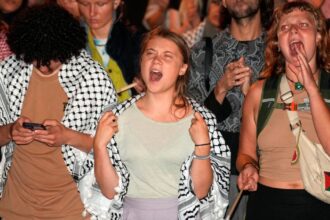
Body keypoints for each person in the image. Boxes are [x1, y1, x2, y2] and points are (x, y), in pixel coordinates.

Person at [80, 27, 231, 219]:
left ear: (182, 68)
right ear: (142, 61)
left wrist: (202, 147)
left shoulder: (201, 120)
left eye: (167, 56)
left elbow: (201, 192)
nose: (156, 60)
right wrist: (99, 146)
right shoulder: (117, 117)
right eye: (150, 54)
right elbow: (110, 192)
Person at [0, 4, 117, 219]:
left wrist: (67, 137)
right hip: (14, 207)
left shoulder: (91, 78)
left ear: (65, 49)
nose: (43, 66)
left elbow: (113, 150)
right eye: (36, 59)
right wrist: (10, 132)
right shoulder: (8, 72)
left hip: (73, 209)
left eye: (51, 59)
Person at [237, 2, 330, 219]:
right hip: (267, 204)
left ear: (318, 36)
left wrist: (312, 90)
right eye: (285, 28)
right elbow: (245, 154)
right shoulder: (259, 92)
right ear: (278, 42)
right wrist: (248, 167)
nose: (293, 30)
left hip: (321, 204)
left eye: (303, 25)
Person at [187, 0, 274, 219]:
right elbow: (188, 122)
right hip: (212, 173)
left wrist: (252, 94)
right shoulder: (202, 51)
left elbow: (290, 119)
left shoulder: (279, 52)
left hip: (269, 172)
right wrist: (220, 89)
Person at [77, 0, 141, 103]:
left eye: (100, 4)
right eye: (85, 4)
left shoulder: (136, 40)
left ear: (116, 2)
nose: (92, 12)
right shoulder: (71, 41)